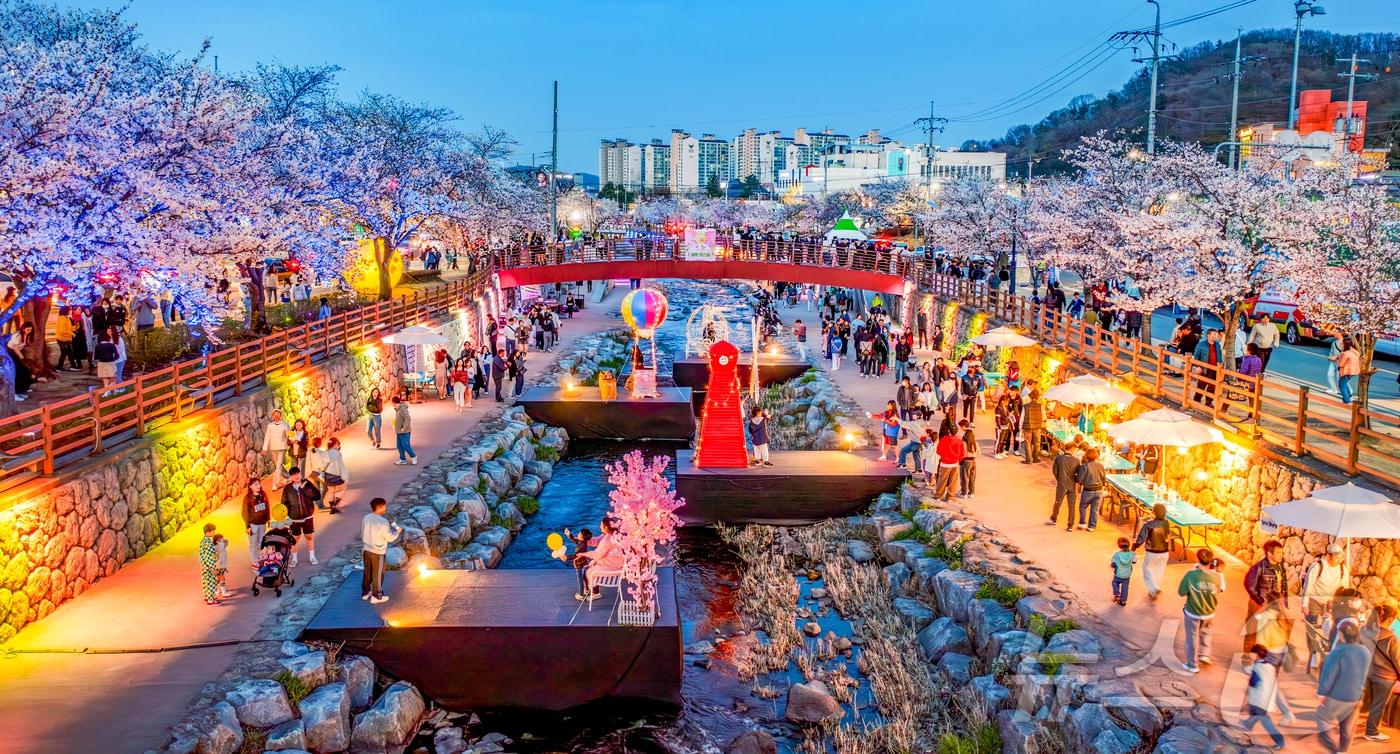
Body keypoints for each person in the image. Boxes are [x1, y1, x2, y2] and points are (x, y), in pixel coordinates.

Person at [1316, 618, 1371, 753]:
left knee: (1321, 717)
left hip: (1338, 696)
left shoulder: (1338, 652)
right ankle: (1343, 751)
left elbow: (1328, 675)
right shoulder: (1366, 651)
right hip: (1357, 696)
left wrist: (1322, 693)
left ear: (1340, 635)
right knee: (1347, 727)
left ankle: (1333, 749)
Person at [1304, 544, 1352, 671]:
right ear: (1329, 556)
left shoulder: (1343, 569)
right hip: (1315, 599)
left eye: (1341, 557)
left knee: (1330, 627)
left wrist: (1342, 606)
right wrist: (1305, 604)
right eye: (1337, 557)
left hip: (1331, 602)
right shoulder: (1318, 566)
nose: (1339, 560)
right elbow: (1308, 586)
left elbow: (1344, 589)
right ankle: (1313, 653)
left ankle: (1327, 649)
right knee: (1311, 628)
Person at [1178, 547, 1224, 673]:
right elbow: (1219, 590)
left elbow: (1181, 592)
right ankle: (1205, 654)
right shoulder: (1217, 577)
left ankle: (1192, 664)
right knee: (1206, 633)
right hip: (1209, 612)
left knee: (1192, 637)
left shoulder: (1191, 575)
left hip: (1192, 611)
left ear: (1198, 559)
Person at [1240, 643, 1293, 750]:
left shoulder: (1258, 666)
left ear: (1257, 655)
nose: (1250, 655)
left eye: (1252, 654)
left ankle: (1280, 741)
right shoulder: (1268, 666)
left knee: (1265, 721)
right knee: (1254, 713)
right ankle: (1247, 724)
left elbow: (1247, 670)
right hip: (1261, 699)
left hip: (1260, 700)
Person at [1244, 540, 1289, 653]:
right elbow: (1249, 584)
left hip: (1274, 604)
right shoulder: (1259, 567)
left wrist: (1283, 601)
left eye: (1281, 553)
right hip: (1259, 604)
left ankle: (1264, 658)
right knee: (1252, 632)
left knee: (1270, 632)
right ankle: (1247, 660)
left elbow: (1282, 585)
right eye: (1278, 552)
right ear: (1269, 553)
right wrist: (1261, 600)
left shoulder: (1280, 566)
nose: (1281, 555)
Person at [1364, 603, 1400, 743]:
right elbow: (1397, 661)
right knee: (1379, 704)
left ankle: (1369, 725)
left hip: (1369, 673)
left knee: (1373, 703)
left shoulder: (1366, 632)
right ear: (1391, 619)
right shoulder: (1392, 639)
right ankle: (1372, 732)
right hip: (1385, 678)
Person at [360, 497, 401, 604]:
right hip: (378, 551)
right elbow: (389, 538)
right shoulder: (383, 522)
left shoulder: (366, 517)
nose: (385, 508)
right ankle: (376, 596)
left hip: (367, 549)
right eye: (384, 506)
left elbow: (363, 531)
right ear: (380, 507)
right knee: (378, 574)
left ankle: (365, 593)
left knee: (367, 572)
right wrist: (397, 532)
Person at [281, 466, 321, 566]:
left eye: (298, 474)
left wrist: (305, 490)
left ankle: (312, 556)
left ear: (300, 474)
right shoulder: (287, 489)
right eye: (294, 475)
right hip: (294, 518)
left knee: (309, 536)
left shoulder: (307, 484)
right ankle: (294, 558)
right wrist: (285, 515)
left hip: (307, 516)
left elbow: (317, 496)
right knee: (295, 538)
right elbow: (283, 503)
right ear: (291, 477)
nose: (297, 476)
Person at [1133, 503, 1173, 601]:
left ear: (1154, 512)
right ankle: (1155, 588)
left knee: (1146, 569)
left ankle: (1153, 589)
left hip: (1152, 551)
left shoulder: (1149, 525)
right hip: (1164, 551)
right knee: (1159, 570)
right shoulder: (1166, 523)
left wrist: (1135, 546)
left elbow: (1141, 538)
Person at [311, 437, 348, 514]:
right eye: (337, 444)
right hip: (336, 474)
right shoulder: (338, 453)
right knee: (342, 488)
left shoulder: (325, 453)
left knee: (331, 491)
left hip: (327, 475)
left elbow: (322, 465)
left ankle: (332, 506)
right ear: (335, 444)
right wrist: (344, 475)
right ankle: (335, 503)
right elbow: (341, 465)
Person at [1074, 447, 1107, 532]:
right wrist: (1103, 485)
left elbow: (1079, 479)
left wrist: (1076, 477)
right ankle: (1091, 526)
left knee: (1083, 507)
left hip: (1088, 490)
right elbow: (1104, 478)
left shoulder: (1084, 466)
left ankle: (1082, 523)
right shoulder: (1101, 465)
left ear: (1087, 455)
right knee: (1095, 510)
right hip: (1099, 490)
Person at [1048, 446, 1080, 530]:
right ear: (1072, 450)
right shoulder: (1076, 461)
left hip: (1061, 484)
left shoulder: (1059, 458)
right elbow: (1078, 474)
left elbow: (1054, 470)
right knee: (1072, 506)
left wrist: (1059, 479)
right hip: (1072, 485)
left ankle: (1054, 518)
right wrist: (1075, 480)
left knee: (1058, 502)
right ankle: (1070, 524)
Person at [242, 479, 271, 569]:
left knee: (261, 543)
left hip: (262, 524)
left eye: (259, 484)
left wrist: (268, 519)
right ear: (250, 486)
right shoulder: (248, 498)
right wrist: (247, 526)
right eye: (255, 484)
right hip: (253, 525)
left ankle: (261, 558)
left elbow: (267, 507)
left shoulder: (263, 495)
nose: (258, 486)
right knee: (253, 544)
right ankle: (255, 561)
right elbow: (245, 513)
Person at [933, 425, 965, 502]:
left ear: (948, 431)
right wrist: (958, 459)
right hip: (955, 463)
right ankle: (950, 497)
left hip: (945, 463)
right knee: (953, 481)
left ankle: (938, 495)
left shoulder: (944, 439)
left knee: (942, 480)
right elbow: (962, 453)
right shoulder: (959, 441)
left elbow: (938, 451)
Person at [198, 523, 222, 606]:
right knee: (211, 583)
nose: (214, 533)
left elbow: (201, 555)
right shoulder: (209, 543)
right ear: (208, 532)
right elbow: (209, 557)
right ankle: (211, 600)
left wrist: (202, 564)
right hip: (209, 567)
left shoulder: (203, 541)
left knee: (206, 582)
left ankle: (207, 597)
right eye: (213, 531)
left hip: (204, 566)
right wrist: (213, 568)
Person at [1111, 537, 1137, 606]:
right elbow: (1134, 561)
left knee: (1114, 583)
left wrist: (1113, 565)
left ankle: (1117, 594)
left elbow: (1113, 564)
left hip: (1118, 574)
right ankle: (1123, 601)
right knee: (1125, 588)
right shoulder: (1132, 554)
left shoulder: (1117, 554)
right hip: (1127, 575)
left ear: (1119, 546)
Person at [1021, 389, 1045, 463]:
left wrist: (1020, 428)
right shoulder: (1041, 406)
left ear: (1031, 397)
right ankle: (1035, 458)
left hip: (1027, 427)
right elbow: (1044, 417)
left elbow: (1022, 417)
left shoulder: (1025, 406)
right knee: (1037, 443)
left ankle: (1028, 459)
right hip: (1037, 427)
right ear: (1038, 397)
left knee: (1027, 442)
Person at [392, 396, 416, 465]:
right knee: (399, 446)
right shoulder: (397, 409)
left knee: (406, 446)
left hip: (405, 431)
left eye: (393, 404)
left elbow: (408, 418)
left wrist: (404, 428)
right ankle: (403, 459)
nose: (393, 405)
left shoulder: (402, 409)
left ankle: (413, 457)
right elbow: (400, 419)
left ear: (394, 403)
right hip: (399, 431)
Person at [1337, 338, 1361, 405]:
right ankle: (1349, 395)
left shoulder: (1345, 354)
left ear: (1345, 344)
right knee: (1344, 383)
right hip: (1354, 371)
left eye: (1342, 343)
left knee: (1341, 385)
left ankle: (1346, 400)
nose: (1341, 344)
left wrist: (1338, 359)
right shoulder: (1355, 352)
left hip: (1347, 371)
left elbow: (1341, 364)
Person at [958, 418, 977, 499]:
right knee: (972, 477)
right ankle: (971, 492)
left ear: (963, 426)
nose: (960, 428)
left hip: (966, 459)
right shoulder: (972, 434)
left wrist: (960, 459)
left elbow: (964, 449)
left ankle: (964, 492)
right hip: (973, 459)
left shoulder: (965, 436)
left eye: (960, 427)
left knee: (965, 476)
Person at [213, 533, 230, 599]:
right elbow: (227, 542)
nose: (223, 539)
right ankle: (223, 592)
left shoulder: (215, 546)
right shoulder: (220, 545)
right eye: (221, 538)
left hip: (217, 564)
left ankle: (216, 589)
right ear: (218, 540)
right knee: (222, 577)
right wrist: (223, 540)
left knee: (218, 577)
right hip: (220, 564)